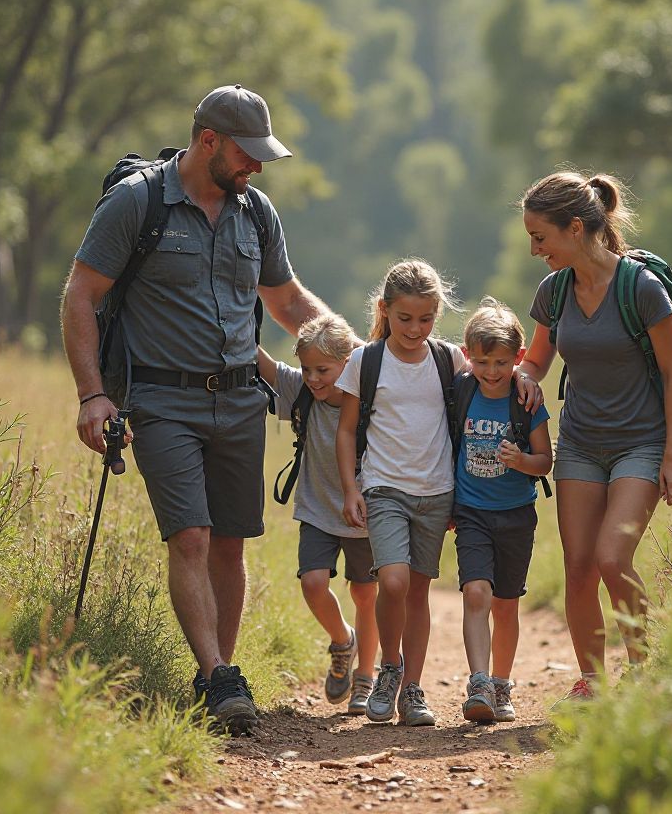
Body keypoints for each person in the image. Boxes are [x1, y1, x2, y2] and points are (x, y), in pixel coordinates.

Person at [61, 84, 327, 735]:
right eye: (247, 154)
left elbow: (289, 302)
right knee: (192, 535)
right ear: (208, 141)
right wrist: (93, 394)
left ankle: (219, 678)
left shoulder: (255, 212)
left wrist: (357, 356)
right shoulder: (137, 203)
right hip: (160, 401)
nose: (257, 168)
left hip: (240, 400)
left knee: (230, 546)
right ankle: (215, 672)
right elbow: (80, 295)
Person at [515, 171, 672, 703]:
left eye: (540, 237)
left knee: (613, 558)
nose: (534, 249)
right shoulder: (556, 290)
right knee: (579, 567)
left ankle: (643, 669)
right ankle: (591, 679)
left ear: (574, 228)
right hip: (580, 445)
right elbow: (538, 358)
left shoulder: (642, 287)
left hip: (642, 442)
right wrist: (523, 377)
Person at [334, 259, 468, 727]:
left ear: (437, 315)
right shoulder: (364, 361)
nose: (415, 328)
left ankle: (413, 689)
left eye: (426, 318)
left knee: (417, 592)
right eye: (405, 318)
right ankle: (390, 667)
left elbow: (486, 394)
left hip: (437, 492)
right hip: (383, 488)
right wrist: (351, 490)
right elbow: (347, 430)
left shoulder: (448, 359)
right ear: (385, 310)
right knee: (391, 581)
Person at [256, 314, 379, 715]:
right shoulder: (301, 392)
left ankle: (366, 678)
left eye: (323, 370)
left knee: (365, 594)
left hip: (365, 512)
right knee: (312, 583)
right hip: (316, 507)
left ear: (349, 362)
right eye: (307, 368)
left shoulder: (372, 393)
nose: (312, 378)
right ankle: (343, 640)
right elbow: (265, 366)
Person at [453, 298, 552, 723]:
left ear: (519, 358)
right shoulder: (461, 390)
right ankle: (479, 683)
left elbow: (546, 461)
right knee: (476, 592)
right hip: (471, 512)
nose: (491, 372)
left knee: (506, 605)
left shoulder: (526, 402)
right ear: (467, 356)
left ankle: (501, 683)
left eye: (500, 362)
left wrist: (521, 461)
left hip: (515, 514)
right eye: (482, 361)